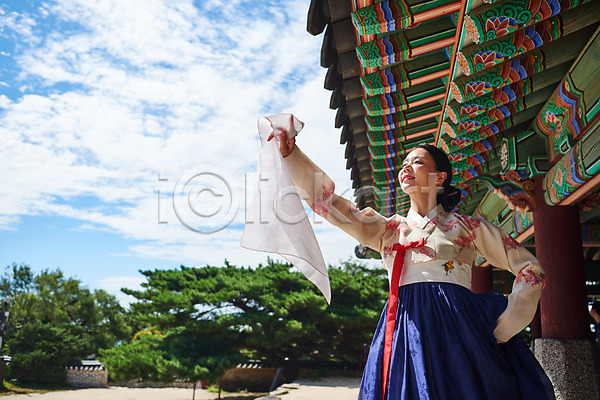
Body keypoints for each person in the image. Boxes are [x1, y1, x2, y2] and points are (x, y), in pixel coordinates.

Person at [269, 129, 555, 400]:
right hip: (404, 331)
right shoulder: (389, 229)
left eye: (417, 162)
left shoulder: (468, 227)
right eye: (404, 163)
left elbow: (531, 269)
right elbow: (330, 204)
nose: (405, 168)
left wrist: (505, 326)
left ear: (440, 177)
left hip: (462, 334)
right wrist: (292, 157)